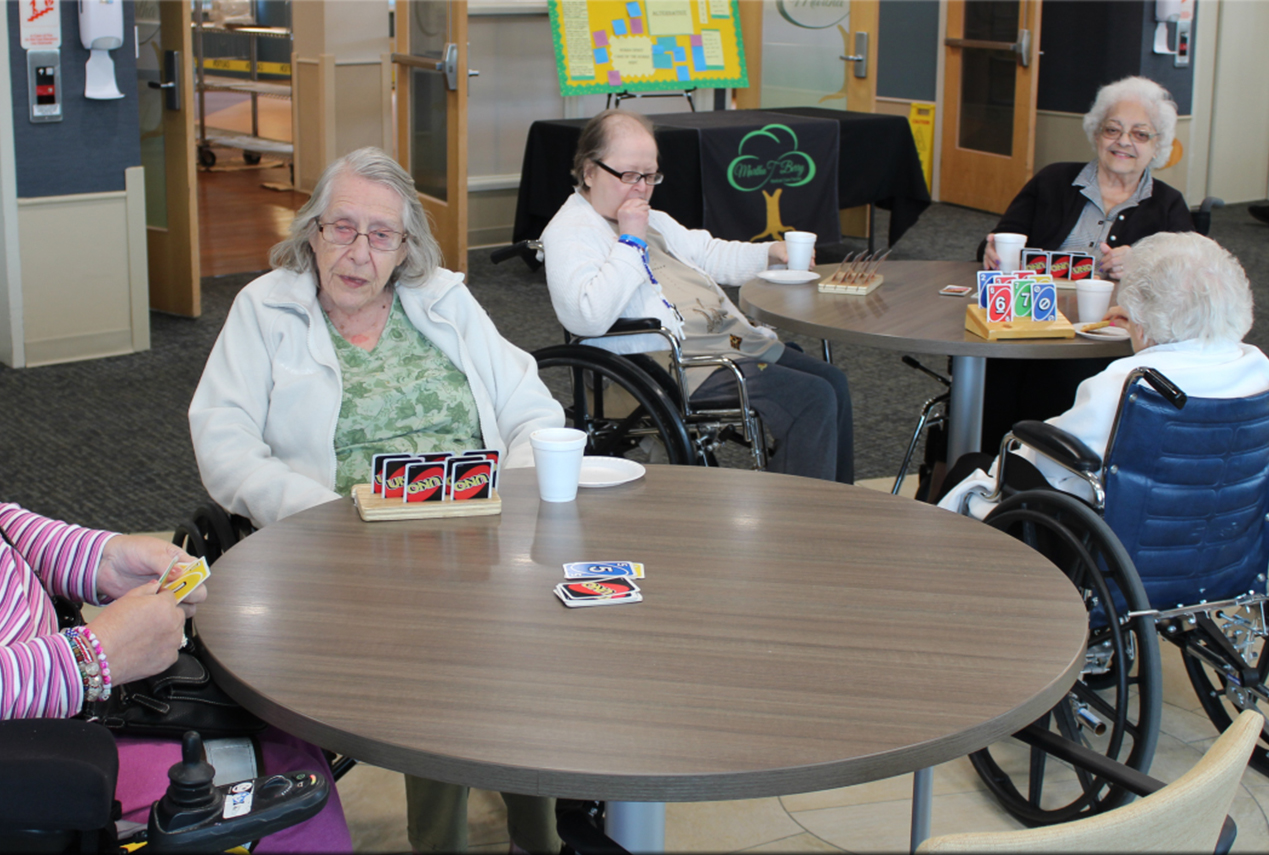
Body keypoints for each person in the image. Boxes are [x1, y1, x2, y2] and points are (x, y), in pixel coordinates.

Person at [189, 147, 564, 852]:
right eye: (342, 227)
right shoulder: (265, 309)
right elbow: (224, 443)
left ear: (405, 247)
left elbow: (531, 408)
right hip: (343, 546)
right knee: (446, 649)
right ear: (312, 231)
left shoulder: (443, 300)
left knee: (540, 625)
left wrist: (510, 488)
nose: (358, 252)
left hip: (476, 524)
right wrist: (323, 513)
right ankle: (456, 842)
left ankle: (538, 834)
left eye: (381, 234)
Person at [0, 503, 351, 850]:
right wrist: (89, 659)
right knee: (294, 801)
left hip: (63, 691)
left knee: (279, 721)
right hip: (34, 756)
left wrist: (101, 560)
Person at [540, 109, 854, 484]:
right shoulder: (571, 232)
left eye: (650, 176)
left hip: (724, 341)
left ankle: (835, 504)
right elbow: (585, 316)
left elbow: (706, 252)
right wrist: (631, 240)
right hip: (666, 362)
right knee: (812, 397)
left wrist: (769, 253)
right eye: (628, 175)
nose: (641, 187)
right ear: (590, 171)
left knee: (833, 380)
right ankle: (802, 513)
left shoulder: (652, 219)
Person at [938, 232, 1269, 519]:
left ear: (1141, 321)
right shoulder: (1258, 368)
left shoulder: (1130, 385)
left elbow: (1044, 463)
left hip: (1118, 543)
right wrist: (1141, 327)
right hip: (1226, 538)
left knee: (970, 467)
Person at [975, 76, 1196, 458]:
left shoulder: (1168, 204)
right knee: (991, 367)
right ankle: (992, 462)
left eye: (1140, 134)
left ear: (1157, 146)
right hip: (1030, 320)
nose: (1123, 142)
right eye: (1113, 129)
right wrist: (991, 250)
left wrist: (1141, 262)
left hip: (1108, 338)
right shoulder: (1053, 180)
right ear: (1096, 132)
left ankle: (1052, 464)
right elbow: (1000, 239)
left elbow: (1189, 277)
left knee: (1067, 377)